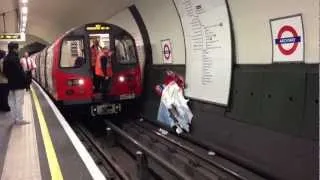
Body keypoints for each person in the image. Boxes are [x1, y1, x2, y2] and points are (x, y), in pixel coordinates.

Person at [3, 42, 29, 125]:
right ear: (14, 49)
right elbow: (20, 72)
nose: (18, 50)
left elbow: (4, 72)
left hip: (10, 83)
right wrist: (26, 82)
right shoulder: (15, 58)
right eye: (17, 48)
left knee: (12, 101)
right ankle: (20, 119)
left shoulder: (6, 58)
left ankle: (14, 118)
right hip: (19, 84)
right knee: (19, 102)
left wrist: (10, 78)